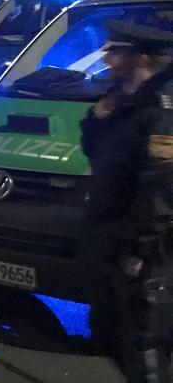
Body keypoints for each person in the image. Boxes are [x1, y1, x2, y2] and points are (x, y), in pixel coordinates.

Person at [81, 21, 173, 381]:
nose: (107, 60)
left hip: (143, 254)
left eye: (115, 52)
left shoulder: (162, 111)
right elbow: (100, 156)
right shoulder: (126, 101)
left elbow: (161, 187)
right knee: (112, 339)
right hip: (113, 244)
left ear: (141, 59)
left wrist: (138, 250)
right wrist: (98, 116)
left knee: (146, 348)